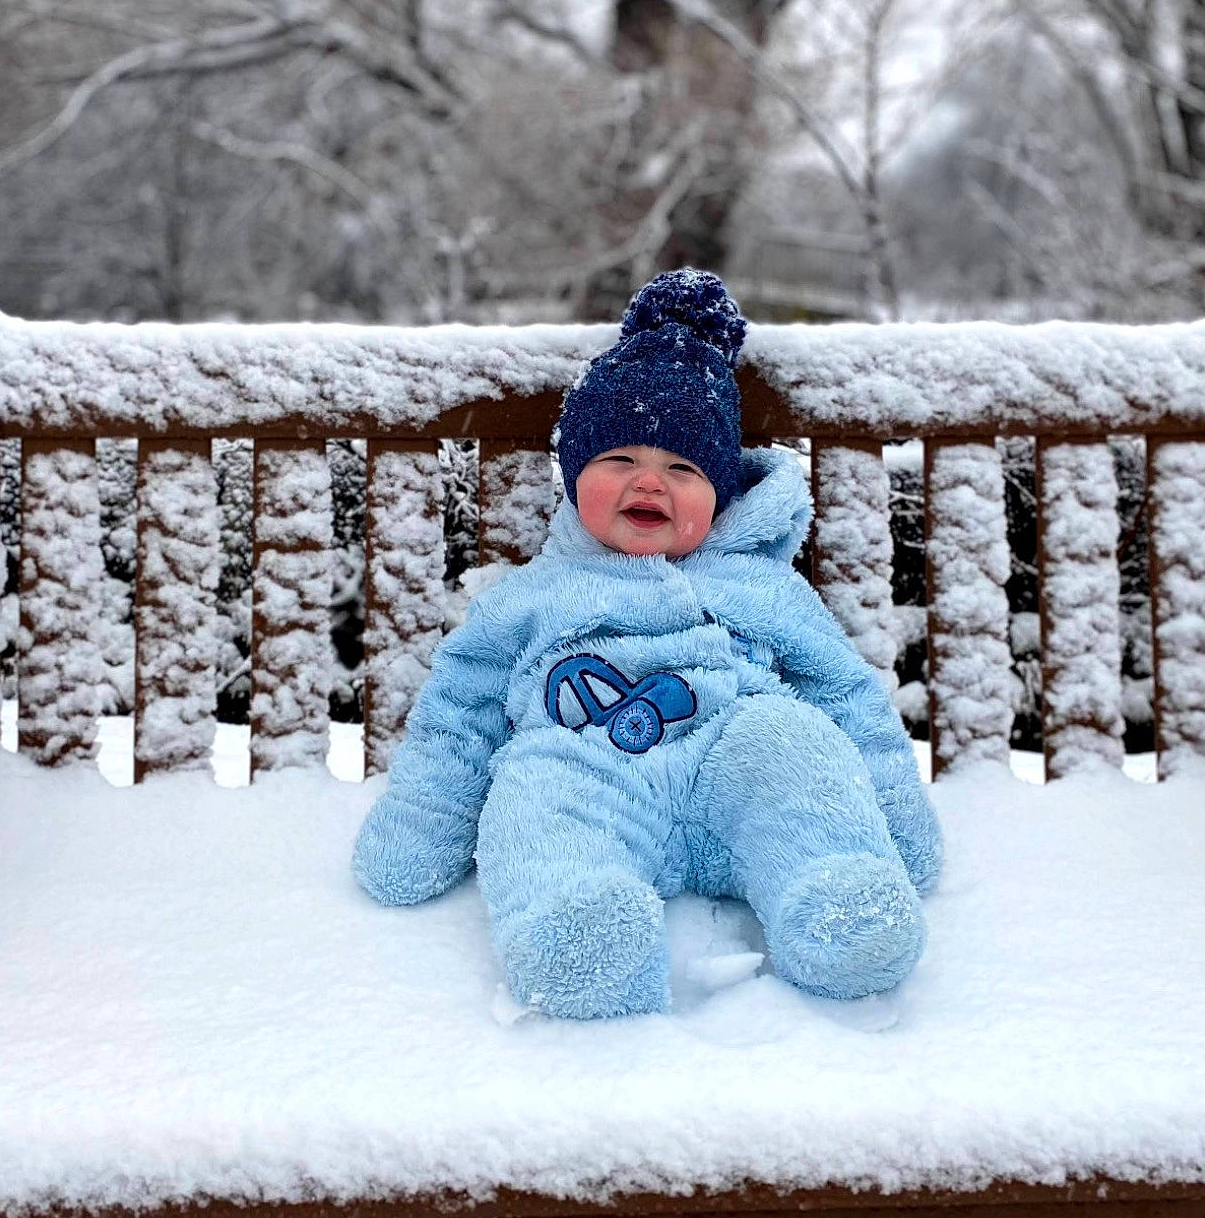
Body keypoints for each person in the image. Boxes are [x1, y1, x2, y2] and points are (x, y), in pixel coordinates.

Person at [352, 270, 942, 1019]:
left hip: (735, 755)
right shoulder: (534, 595)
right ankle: (582, 934)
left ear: (721, 494)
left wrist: (895, 812)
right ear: (575, 476)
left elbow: (843, 692)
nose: (649, 483)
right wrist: (421, 824)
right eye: (620, 460)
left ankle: (839, 903)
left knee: (795, 745)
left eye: (682, 468)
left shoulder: (760, 586)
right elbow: (459, 714)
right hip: (588, 762)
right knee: (534, 792)